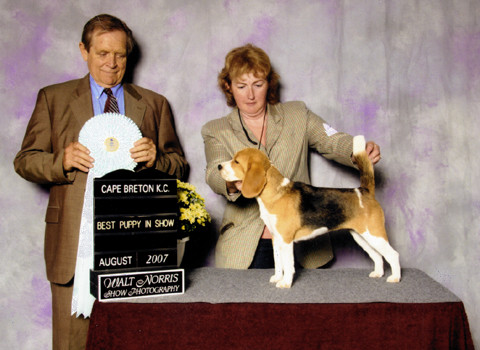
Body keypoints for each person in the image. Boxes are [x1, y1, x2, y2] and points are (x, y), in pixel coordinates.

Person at [14, 14, 188, 350]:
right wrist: (60, 161)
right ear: (84, 51)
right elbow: (24, 161)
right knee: (72, 344)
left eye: (120, 55)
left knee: (134, 341)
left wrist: (157, 160)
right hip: (72, 248)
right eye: (102, 53)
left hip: (137, 249)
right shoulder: (53, 98)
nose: (112, 63)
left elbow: (178, 166)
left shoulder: (154, 104)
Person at [201, 43, 381, 270]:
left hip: (307, 245)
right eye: (241, 85)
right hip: (248, 249)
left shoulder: (297, 114)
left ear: (269, 83)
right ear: (228, 87)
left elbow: (332, 139)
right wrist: (234, 184)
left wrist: (357, 151)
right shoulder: (215, 130)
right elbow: (213, 171)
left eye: (258, 84)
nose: (250, 94)